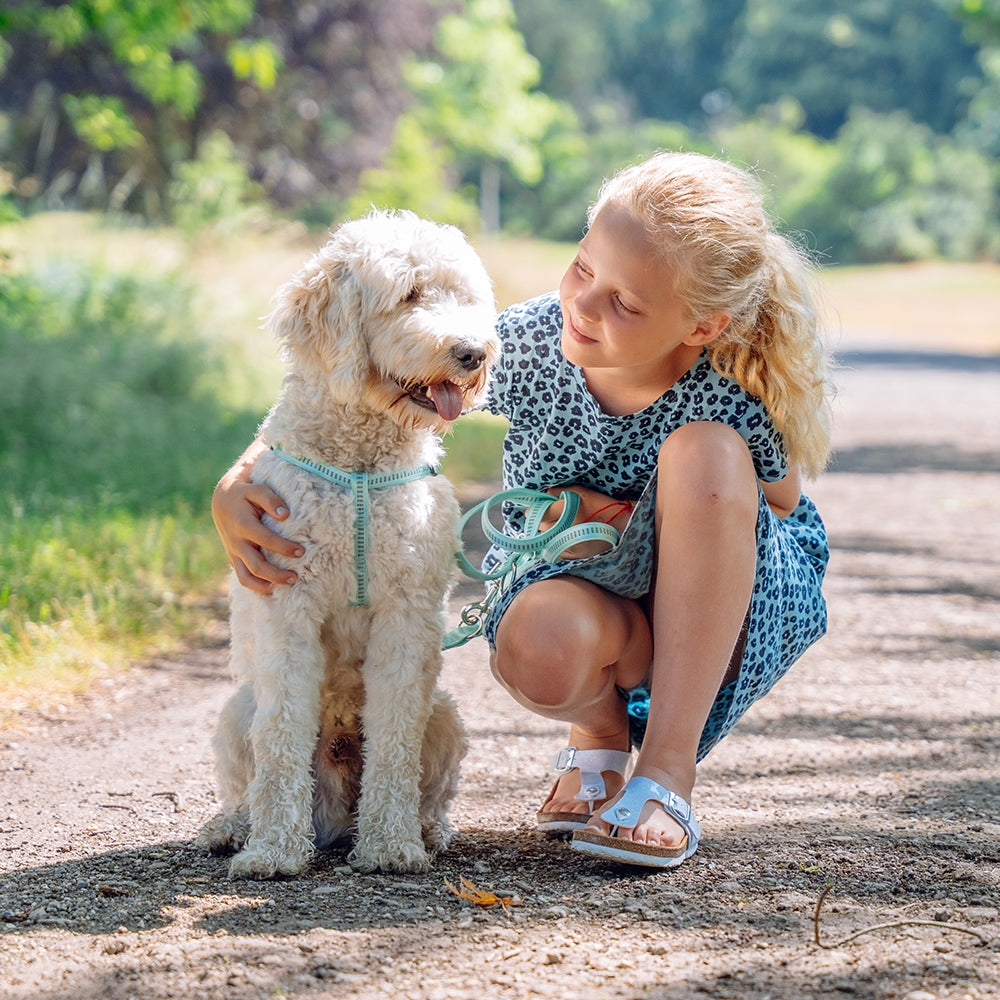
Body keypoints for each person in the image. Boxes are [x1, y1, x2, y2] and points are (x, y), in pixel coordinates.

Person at [212, 151, 834, 869]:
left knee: (705, 455)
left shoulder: (724, 384)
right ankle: (598, 738)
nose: (585, 306)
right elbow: (357, 390)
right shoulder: (534, 343)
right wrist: (236, 482)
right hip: (600, 603)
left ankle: (666, 774)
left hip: (717, 609)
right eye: (582, 269)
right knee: (541, 636)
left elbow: (780, 502)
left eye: (626, 304)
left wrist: (634, 510)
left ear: (701, 327)